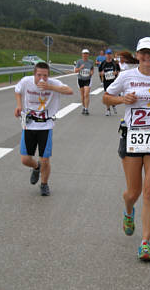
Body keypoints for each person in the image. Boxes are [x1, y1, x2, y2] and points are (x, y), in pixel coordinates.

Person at [102, 37, 150, 262]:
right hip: (132, 135)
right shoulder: (126, 76)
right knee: (133, 192)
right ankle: (128, 209)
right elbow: (106, 98)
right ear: (137, 54)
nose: (146, 57)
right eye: (143, 53)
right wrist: (122, 99)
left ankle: (145, 242)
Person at [14, 62, 73, 196]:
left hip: (46, 125)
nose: (42, 78)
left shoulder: (53, 83)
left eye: (45, 76)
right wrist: (19, 106)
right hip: (29, 124)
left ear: (48, 76)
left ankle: (44, 184)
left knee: (45, 159)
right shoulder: (26, 81)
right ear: (34, 74)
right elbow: (17, 91)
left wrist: (50, 87)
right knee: (25, 160)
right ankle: (36, 167)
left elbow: (70, 91)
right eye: (39, 75)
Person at [99, 49, 120, 116]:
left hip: (113, 82)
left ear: (111, 55)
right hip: (106, 81)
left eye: (110, 54)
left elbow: (119, 71)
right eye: (107, 54)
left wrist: (115, 73)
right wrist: (102, 74)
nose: (108, 55)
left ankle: (113, 104)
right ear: (105, 55)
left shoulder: (114, 63)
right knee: (107, 95)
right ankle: (108, 110)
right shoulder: (103, 63)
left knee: (112, 95)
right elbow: (100, 72)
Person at [75, 49, 94, 115]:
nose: (85, 55)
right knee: (82, 95)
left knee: (86, 94)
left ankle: (86, 109)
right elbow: (75, 71)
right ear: (82, 54)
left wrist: (91, 73)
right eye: (84, 54)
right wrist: (80, 68)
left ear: (88, 55)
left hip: (88, 79)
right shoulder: (79, 62)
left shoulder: (91, 62)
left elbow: (92, 69)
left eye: (86, 54)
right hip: (80, 79)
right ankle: (83, 107)